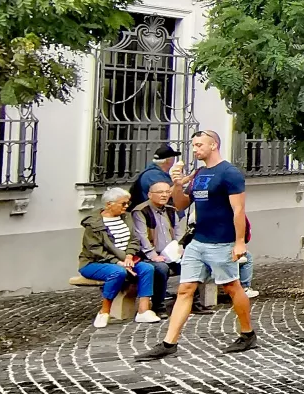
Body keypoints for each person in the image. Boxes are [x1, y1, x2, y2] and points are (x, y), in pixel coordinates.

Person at [136, 129, 256, 359]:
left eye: (200, 145)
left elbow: (238, 209)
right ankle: (169, 343)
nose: (196, 149)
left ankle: (247, 333)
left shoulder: (229, 173)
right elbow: (180, 205)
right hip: (197, 241)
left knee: (232, 288)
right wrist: (177, 184)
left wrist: (239, 242)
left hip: (221, 242)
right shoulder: (199, 173)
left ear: (214, 145)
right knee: (185, 289)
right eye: (194, 145)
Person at [79, 186, 162, 328]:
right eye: (123, 204)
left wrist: (129, 256)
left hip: (125, 260)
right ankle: (104, 311)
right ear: (108, 204)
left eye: (127, 203)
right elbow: (95, 250)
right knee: (117, 272)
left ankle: (143, 310)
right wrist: (118, 262)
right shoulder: (93, 223)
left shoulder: (126, 218)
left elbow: (134, 240)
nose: (126, 206)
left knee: (147, 268)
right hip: (95, 262)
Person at [132, 178, 191, 314]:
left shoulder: (171, 210)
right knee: (161, 268)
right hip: (148, 256)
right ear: (150, 194)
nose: (164, 195)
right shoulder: (141, 211)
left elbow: (178, 232)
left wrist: (180, 248)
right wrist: (154, 256)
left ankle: (193, 301)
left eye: (166, 192)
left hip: (171, 253)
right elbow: (142, 237)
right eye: (160, 192)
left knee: (190, 262)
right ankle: (159, 305)